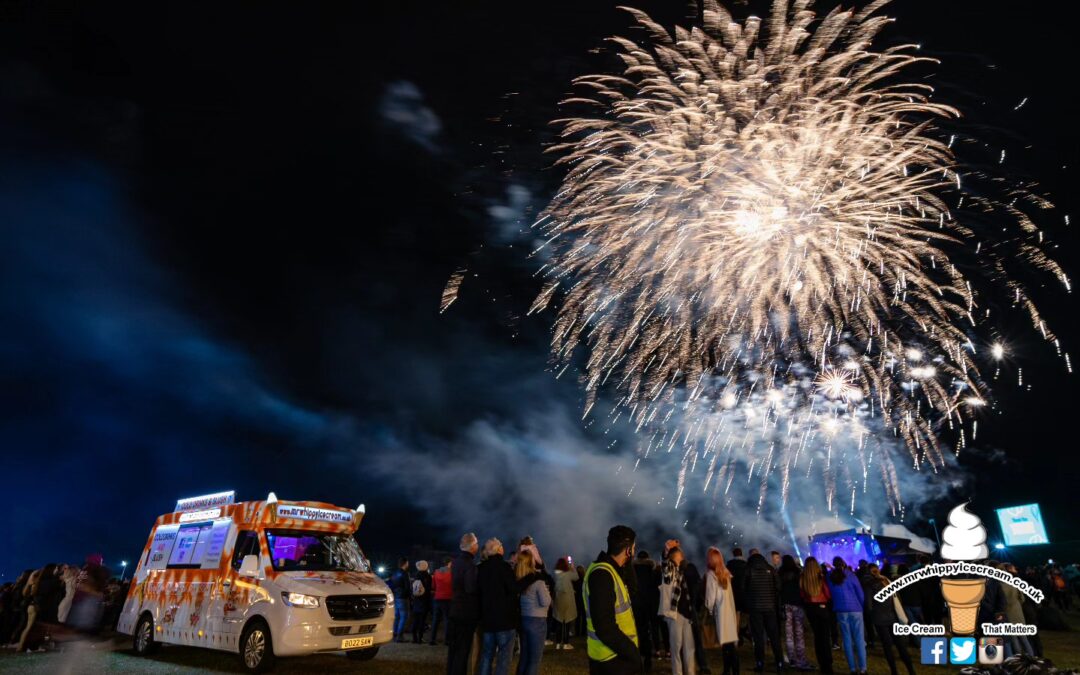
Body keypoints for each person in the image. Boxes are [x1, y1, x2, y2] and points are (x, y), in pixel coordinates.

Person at [585, 525, 642, 674]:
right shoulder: (602, 575)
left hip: (614, 656)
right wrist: (632, 653)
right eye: (633, 548)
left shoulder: (611, 570)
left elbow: (633, 589)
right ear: (628, 550)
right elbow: (605, 627)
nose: (634, 552)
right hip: (612, 659)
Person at [477, 539, 518, 675]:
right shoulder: (504, 567)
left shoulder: (481, 568)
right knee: (504, 657)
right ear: (499, 549)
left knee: (487, 655)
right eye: (501, 545)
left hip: (487, 619)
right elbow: (513, 588)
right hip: (504, 620)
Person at [864, 565, 914, 675]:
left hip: (879, 618)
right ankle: (911, 670)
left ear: (869, 572)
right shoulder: (886, 580)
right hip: (892, 616)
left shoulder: (869, 585)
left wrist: (870, 615)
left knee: (887, 647)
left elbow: (868, 605)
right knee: (900, 645)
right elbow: (896, 597)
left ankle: (894, 671)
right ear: (878, 570)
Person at [741, 552, 783, 673]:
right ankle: (779, 663)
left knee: (758, 637)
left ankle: (760, 663)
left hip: (755, 609)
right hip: (770, 608)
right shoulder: (770, 569)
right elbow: (778, 586)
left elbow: (743, 588)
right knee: (774, 636)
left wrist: (749, 603)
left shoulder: (748, 569)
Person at [659, 546, 697, 675]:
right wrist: (666, 552)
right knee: (676, 648)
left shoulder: (681, 570)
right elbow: (664, 565)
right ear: (676, 555)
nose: (683, 555)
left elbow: (686, 594)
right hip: (675, 614)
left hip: (686, 614)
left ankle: (690, 672)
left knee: (689, 648)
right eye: (681, 553)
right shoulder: (670, 571)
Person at [826, 558, 866, 675]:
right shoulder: (851, 575)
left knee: (847, 640)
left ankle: (852, 669)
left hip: (840, 610)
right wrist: (861, 606)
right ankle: (863, 669)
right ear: (844, 563)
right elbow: (860, 592)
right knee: (859, 639)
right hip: (855, 609)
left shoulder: (830, 576)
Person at [448, 532, 480, 675]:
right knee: (463, 649)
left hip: (454, 608)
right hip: (466, 611)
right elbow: (470, 588)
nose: (478, 546)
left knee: (453, 648)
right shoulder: (470, 564)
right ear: (472, 546)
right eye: (477, 543)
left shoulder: (455, 562)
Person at [704, 547, 739, 675]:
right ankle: (731, 670)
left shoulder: (711, 575)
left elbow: (710, 597)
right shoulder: (726, 573)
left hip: (720, 612)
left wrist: (709, 609)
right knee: (730, 644)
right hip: (729, 611)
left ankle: (728, 670)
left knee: (726, 644)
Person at [516, 549, 551, 675]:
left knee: (524, 657)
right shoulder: (538, 581)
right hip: (537, 620)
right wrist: (549, 594)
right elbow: (545, 602)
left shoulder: (519, 579)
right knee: (534, 660)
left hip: (523, 619)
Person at [799, 558, 833, 675]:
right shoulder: (821, 577)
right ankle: (828, 664)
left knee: (817, 637)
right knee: (825, 637)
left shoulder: (803, 578)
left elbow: (802, 595)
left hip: (810, 608)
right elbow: (828, 594)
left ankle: (822, 664)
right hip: (822, 606)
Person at [779, 555, 811, 670]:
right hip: (798, 604)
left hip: (786, 604)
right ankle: (801, 659)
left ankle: (792, 658)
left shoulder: (780, 573)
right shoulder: (798, 572)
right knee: (799, 633)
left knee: (788, 634)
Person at [633, 551, 661, 671]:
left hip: (637, 604)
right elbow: (658, 586)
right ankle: (649, 657)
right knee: (650, 630)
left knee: (638, 630)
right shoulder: (654, 570)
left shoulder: (632, 570)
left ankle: (638, 656)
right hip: (651, 604)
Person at [998, 564, 1034, 657]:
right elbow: (1022, 598)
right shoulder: (1014, 583)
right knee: (1024, 638)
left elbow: (1000, 602)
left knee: (1014, 639)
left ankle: (1018, 659)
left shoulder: (1000, 586)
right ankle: (1031, 657)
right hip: (1018, 612)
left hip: (1008, 614)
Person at [554, 558, 579, 650]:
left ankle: (557, 643)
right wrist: (572, 567)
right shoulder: (567, 574)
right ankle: (565, 643)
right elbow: (576, 577)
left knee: (559, 621)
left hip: (558, 600)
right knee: (567, 621)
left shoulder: (556, 574)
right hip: (567, 600)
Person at [726, 548, 748, 644]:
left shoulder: (729, 565)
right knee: (748, 616)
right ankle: (746, 635)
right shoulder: (746, 565)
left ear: (733, 554)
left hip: (733, 593)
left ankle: (735, 637)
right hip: (745, 593)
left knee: (735, 616)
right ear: (742, 554)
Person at [431, 558, 453, 645]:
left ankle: (432, 639)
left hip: (437, 598)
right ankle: (447, 640)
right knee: (447, 620)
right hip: (448, 598)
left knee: (435, 620)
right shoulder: (452, 573)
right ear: (449, 563)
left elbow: (433, 586)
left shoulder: (436, 572)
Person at [390, 557, 412, 643]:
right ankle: (400, 636)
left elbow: (392, 585)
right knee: (404, 617)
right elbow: (407, 587)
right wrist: (409, 597)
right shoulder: (405, 573)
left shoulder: (395, 573)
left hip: (396, 596)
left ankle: (394, 633)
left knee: (397, 617)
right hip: (403, 598)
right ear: (405, 563)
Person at [413, 560, 434, 644]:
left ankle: (414, 638)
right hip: (424, 601)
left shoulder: (416, 575)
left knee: (415, 620)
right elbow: (429, 589)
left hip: (416, 600)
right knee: (422, 620)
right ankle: (419, 638)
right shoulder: (428, 576)